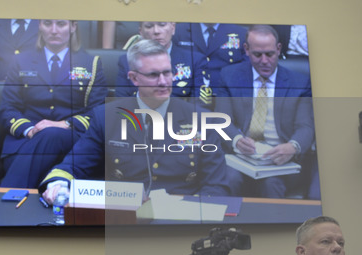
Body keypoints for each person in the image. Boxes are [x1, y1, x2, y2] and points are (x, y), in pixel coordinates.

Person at [40, 39, 230, 203]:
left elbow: (216, 187)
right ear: (134, 78)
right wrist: (58, 185)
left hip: (180, 220)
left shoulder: (202, 121)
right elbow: (73, 166)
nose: (164, 82)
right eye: (154, 75)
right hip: (123, 218)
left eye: (167, 72)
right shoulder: (107, 116)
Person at [0, 19, 108, 188]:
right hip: (25, 143)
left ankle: (7, 197)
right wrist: (29, 130)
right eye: (48, 24)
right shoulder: (20, 61)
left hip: (71, 143)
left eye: (61, 24)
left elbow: (97, 112)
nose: (54, 30)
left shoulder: (91, 63)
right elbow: (8, 108)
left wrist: (63, 124)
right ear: (40, 26)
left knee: (52, 133)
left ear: (73, 27)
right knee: (47, 136)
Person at [214, 24, 317, 199]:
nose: (264, 61)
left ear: (278, 49)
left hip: (279, 159)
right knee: (230, 179)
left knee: (271, 183)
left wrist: (293, 146)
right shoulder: (229, 76)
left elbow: (306, 126)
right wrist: (237, 140)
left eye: (269, 54)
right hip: (241, 157)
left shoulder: (299, 82)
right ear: (246, 50)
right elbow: (220, 121)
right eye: (257, 54)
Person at [115, 22, 211, 105]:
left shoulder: (194, 60)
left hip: (181, 122)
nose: (156, 31)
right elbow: (122, 102)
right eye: (149, 26)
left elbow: (200, 104)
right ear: (141, 32)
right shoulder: (127, 61)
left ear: (173, 28)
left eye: (162, 25)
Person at [172, 23, 247, 95]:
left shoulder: (240, 33)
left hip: (225, 94)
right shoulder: (179, 31)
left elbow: (245, 69)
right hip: (190, 94)